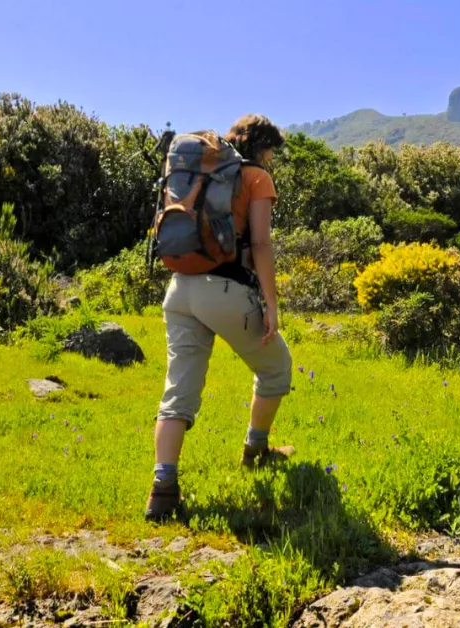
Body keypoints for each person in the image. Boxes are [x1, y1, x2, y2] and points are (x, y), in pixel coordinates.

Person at [145, 114, 293, 522]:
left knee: (178, 393)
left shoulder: (196, 171)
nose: (270, 160)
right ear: (262, 147)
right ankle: (255, 451)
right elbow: (260, 244)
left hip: (179, 290)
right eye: (270, 153)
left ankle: (162, 490)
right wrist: (271, 304)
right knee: (277, 368)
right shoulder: (256, 177)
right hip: (224, 291)